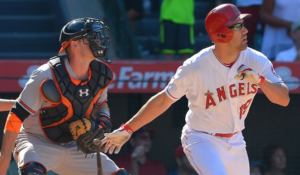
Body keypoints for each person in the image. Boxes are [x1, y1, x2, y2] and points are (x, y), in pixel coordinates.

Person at [100, 3, 290, 175]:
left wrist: (259, 80)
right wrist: (128, 128)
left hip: (235, 140)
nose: (246, 30)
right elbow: (163, 100)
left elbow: (283, 99)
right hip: (202, 139)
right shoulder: (195, 66)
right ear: (221, 34)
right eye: (238, 26)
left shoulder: (255, 60)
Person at [0, 17, 129, 175]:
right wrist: (4, 157)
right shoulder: (46, 74)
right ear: (74, 43)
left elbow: (101, 105)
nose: (98, 41)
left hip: (73, 145)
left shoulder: (101, 73)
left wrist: (103, 120)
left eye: (98, 37)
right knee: (33, 172)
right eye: (91, 38)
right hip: (37, 141)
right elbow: (15, 116)